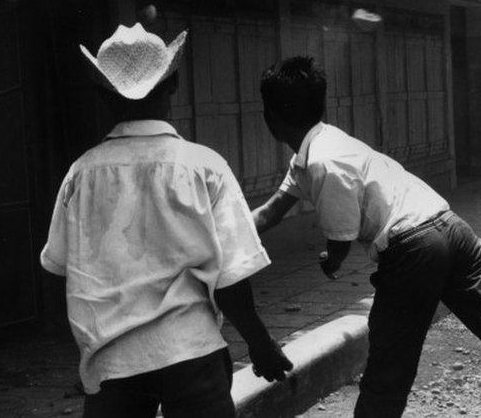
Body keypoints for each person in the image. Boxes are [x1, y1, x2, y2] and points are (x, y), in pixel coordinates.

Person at [251, 56, 481, 418]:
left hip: (412, 245)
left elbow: (340, 240)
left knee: (388, 366)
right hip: (451, 227)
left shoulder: (322, 162)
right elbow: (273, 210)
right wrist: (224, 232)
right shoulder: (322, 146)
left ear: (271, 117)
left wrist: (332, 259)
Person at [40, 23, 292, 418]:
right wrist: (260, 343)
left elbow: (59, 268)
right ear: (173, 84)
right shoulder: (205, 167)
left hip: (112, 361)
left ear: (102, 95)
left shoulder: (80, 176)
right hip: (191, 351)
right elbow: (231, 281)